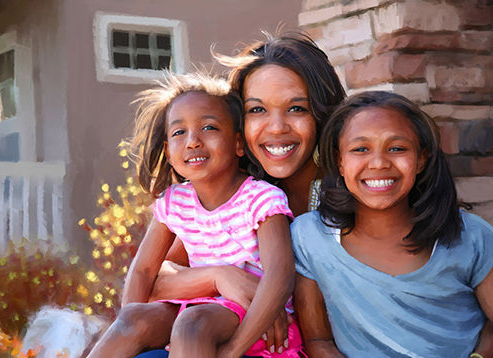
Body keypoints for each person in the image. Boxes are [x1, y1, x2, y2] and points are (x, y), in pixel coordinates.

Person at [134, 31, 346, 357]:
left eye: (296, 109)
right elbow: (157, 277)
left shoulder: (351, 193)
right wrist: (223, 277)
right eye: (257, 110)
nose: (276, 128)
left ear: (322, 112)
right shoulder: (237, 193)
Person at [87, 72, 304, 358]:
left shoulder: (260, 199)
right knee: (130, 321)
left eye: (209, 128)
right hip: (198, 305)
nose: (192, 141)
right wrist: (136, 324)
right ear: (167, 150)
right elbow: (144, 270)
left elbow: (279, 277)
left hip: (259, 320)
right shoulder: (175, 202)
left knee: (192, 324)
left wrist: (233, 350)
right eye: (179, 132)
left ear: (239, 143)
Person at [291, 90, 493, 357]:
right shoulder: (309, 238)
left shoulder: (472, 236)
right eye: (360, 149)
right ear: (340, 161)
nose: (378, 163)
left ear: (421, 159)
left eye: (396, 148)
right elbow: (319, 341)